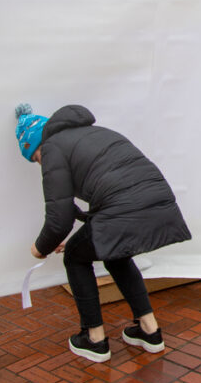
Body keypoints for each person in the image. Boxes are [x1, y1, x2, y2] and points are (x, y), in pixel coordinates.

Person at [15, 104, 191, 363]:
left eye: (35, 158)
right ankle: (150, 330)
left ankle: (94, 339)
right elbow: (112, 191)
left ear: (36, 146)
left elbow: (59, 219)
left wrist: (40, 248)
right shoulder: (96, 132)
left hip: (125, 207)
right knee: (115, 254)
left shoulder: (52, 148)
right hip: (158, 200)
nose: (39, 163)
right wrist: (79, 230)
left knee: (75, 257)